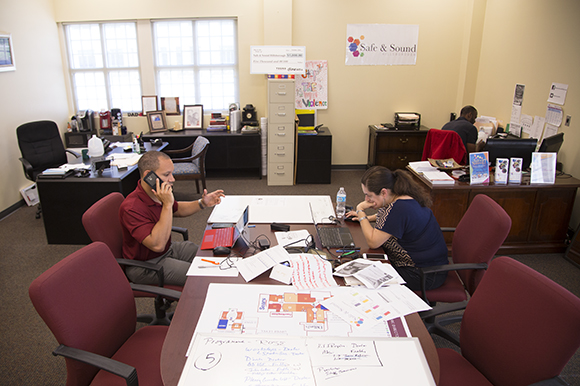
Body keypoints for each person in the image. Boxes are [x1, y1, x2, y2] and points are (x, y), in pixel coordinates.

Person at [119, 150, 225, 287]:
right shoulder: (131, 207)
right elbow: (157, 245)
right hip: (145, 265)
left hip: (167, 249)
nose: (172, 179)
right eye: (166, 174)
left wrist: (202, 203)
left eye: (171, 173)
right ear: (148, 176)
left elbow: (178, 209)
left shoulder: (157, 193)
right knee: (199, 276)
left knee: (207, 255)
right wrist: (167, 205)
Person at [345, 166, 448, 291]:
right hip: (431, 266)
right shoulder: (404, 198)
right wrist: (369, 218)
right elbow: (391, 219)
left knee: (365, 279)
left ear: (384, 192)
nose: (367, 200)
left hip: (423, 274)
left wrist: (361, 211)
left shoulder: (398, 209)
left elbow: (373, 242)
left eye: (369, 195)